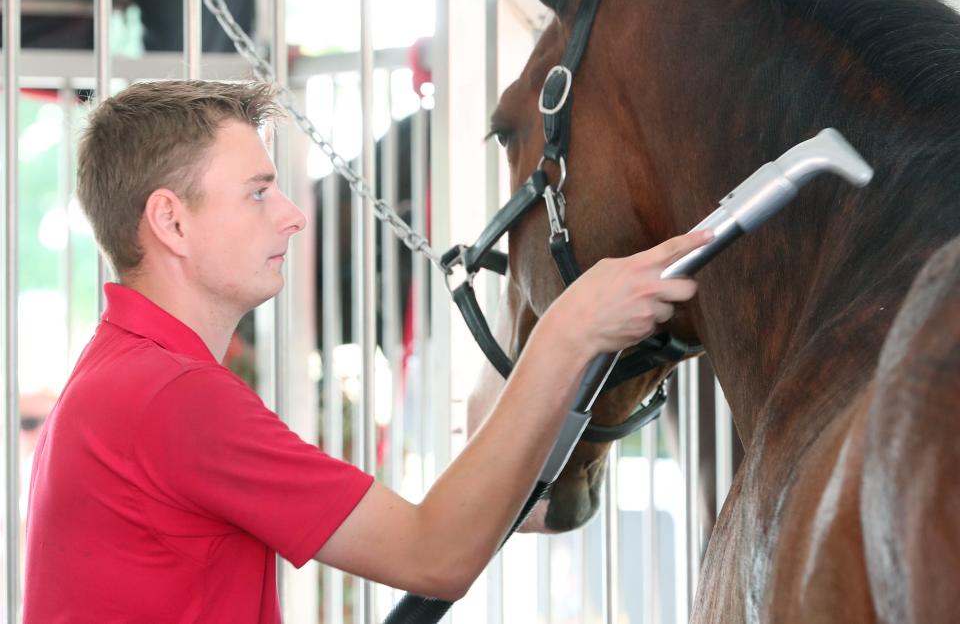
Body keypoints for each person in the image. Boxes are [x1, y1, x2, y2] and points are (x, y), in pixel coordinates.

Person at [22, 80, 710, 623]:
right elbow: (435, 554)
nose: (293, 214)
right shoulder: (173, 398)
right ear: (171, 221)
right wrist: (568, 329)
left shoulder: (120, 371)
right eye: (259, 194)